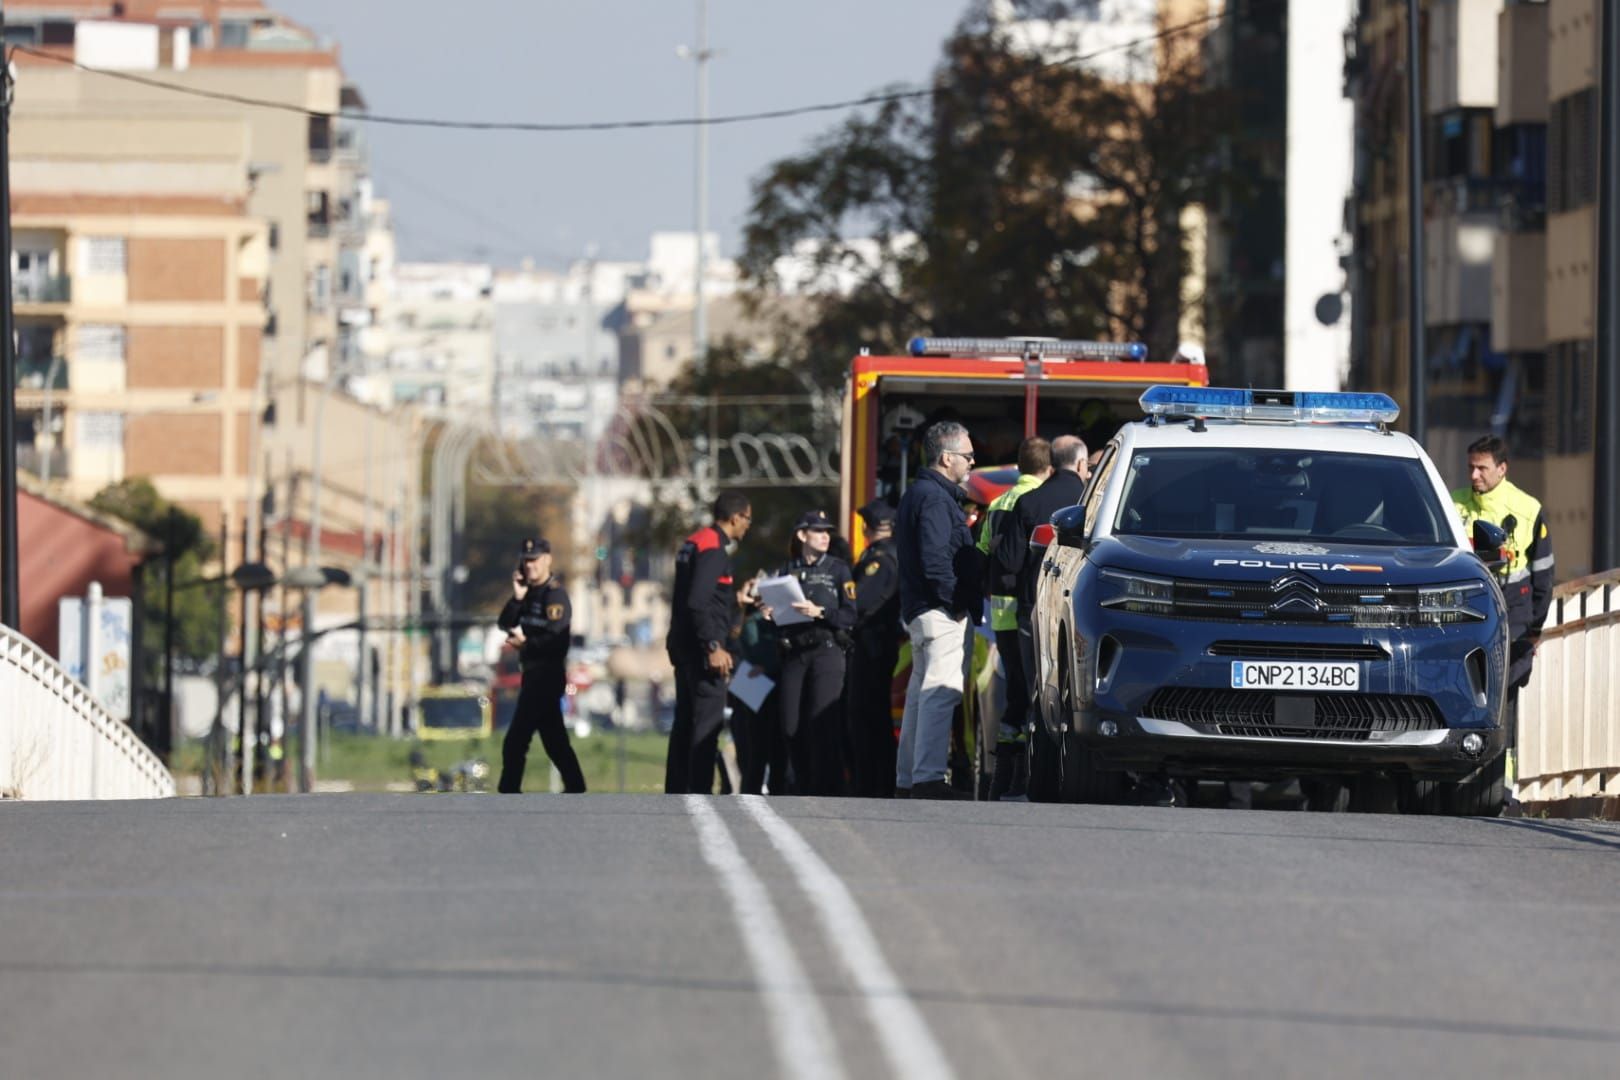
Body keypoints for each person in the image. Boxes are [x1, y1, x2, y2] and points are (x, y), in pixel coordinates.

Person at [894, 421, 981, 800]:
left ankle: (909, 778)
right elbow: (935, 561)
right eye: (967, 456)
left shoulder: (922, 494)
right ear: (947, 458)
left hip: (923, 609)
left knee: (920, 694)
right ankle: (928, 779)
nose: (973, 462)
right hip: (939, 610)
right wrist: (956, 603)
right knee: (940, 691)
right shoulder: (934, 499)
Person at [1451, 435, 1554, 742]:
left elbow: (1544, 574)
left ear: (1502, 469)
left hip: (1513, 609)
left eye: (1481, 468)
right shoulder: (1452, 504)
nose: (1473, 476)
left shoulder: (1527, 509)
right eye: (1470, 467)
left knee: (1504, 690)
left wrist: (1535, 628)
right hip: (1462, 608)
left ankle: (1502, 778)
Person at [665, 491, 753, 794]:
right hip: (706, 653)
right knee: (705, 727)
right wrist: (714, 646)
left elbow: (695, 600)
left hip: (685, 647)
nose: (748, 526)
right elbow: (698, 602)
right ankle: (700, 793)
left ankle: (677, 790)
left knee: (685, 723)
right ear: (735, 517)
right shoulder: (714, 550)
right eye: (747, 519)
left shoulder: (693, 543)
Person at [764, 510, 857, 795]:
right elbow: (777, 617)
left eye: (827, 531)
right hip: (795, 652)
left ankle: (827, 789)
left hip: (827, 650)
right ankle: (802, 784)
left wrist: (820, 612)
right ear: (802, 535)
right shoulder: (785, 571)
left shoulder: (839, 570)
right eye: (818, 531)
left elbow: (850, 615)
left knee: (823, 723)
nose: (825, 536)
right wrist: (770, 614)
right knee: (790, 725)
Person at [979, 436, 1052, 800]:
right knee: (1030, 691)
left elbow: (983, 551)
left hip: (999, 611)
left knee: (1013, 691)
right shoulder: (1039, 503)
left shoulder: (997, 502)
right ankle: (1021, 775)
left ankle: (1001, 775)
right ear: (1048, 467)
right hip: (1025, 607)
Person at [497, 538, 586, 794]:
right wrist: (517, 596)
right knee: (554, 740)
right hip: (532, 673)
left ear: (547, 559)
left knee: (516, 740)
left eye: (534, 560)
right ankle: (576, 787)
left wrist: (526, 645)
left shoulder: (554, 594)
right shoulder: (528, 593)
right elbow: (504, 622)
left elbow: (557, 641)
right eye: (525, 561)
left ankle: (508, 792)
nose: (529, 566)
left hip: (547, 675)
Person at [848, 499, 902, 797]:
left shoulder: (880, 559)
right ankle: (874, 784)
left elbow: (860, 604)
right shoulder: (888, 553)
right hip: (876, 645)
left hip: (872, 647)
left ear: (869, 528)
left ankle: (871, 786)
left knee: (866, 716)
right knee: (872, 716)